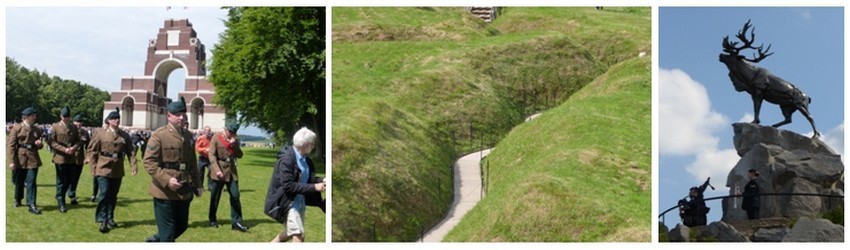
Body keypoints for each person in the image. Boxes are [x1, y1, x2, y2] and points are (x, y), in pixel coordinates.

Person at [144, 97, 202, 242]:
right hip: (164, 191)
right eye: (178, 115)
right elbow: (149, 162)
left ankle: (156, 241)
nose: (181, 118)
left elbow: (192, 163)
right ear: (169, 116)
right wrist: (167, 180)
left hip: (183, 188)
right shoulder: (159, 135)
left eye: (183, 114)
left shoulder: (188, 136)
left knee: (182, 226)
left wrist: (198, 184)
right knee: (168, 233)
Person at [265, 127, 326, 243]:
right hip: (288, 203)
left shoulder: (306, 160)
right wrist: (315, 187)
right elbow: (288, 185)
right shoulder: (287, 160)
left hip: (300, 202)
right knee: (298, 235)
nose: (313, 146)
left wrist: (322, 180)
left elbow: (309, 179)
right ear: (305, 144)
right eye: (312, 143)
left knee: (292, 232)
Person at [87, 107, 138, 233]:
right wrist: (92, 167)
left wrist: (134, 166)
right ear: (109, 121)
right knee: (104, 193)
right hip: (103, 166)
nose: (117, 120)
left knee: (113, 195)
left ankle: (110, 217)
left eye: (118, 118)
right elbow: (92, 150)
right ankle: (102, 220)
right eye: (114, 119)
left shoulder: (124, 135)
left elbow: (131, 151)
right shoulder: (100, 133)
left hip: (117, 168)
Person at [208, 119, 248, 231]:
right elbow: (211, 155)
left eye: (234, 132)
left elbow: (240, 155)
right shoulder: (216, 137)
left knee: (235, 196)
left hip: (231, 172)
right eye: (231, 132)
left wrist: (234, 146)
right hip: (219, 171)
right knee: (215, 197)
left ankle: (237, 222)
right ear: (226, 130)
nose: (233, 134)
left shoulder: (235, 140)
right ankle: (212, 219)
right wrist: (216, 170)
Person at [7, 107, 45, 214]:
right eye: (32, 116)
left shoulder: (37, 129)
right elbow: (11, 145)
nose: (34, 117)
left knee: (32, 181)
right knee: (19, 181)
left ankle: (31, 204)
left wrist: (39, 144)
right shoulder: (17, 128)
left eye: (35, 115)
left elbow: (40, 144)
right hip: (20, 157)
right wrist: (11, 161)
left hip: (32, 157)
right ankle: (18, 199)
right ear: (26, 117)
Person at [48, 106, 81, 213]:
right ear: (61, 116)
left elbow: (79, 141)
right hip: (60, 157)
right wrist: (64, 149)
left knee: (71, 179)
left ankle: (59, 195)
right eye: (64, 116)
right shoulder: (55, 127)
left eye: (68, 116)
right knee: (62, 180)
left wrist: (73, 148)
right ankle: (61, 202)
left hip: (71, 157)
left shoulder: (73, 127)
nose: (66, 118)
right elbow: (51, 142)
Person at [71, 114, 90, 206]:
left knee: (76, 177)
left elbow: (88, 146)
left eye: (80, 122)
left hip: (80, 158)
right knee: (68, 177)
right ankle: (68, 192)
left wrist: (87, 157)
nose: (78, 124)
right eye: (76, 122)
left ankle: (72, 193)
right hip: (69, 157)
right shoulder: (69, 130)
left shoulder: (85, 132)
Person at [89, 118, 108, 202]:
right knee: (96, 178)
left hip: (107, 160)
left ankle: (104, 195)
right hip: (98, 158)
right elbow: (91, 146)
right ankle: (94, 194)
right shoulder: (98, 132)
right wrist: (89, 157)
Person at [195, 126, 213, 190]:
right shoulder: (201, 138)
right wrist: (205, 149)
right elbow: (197, 148)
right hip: (202, 158)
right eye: (208, 131)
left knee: (211, 171)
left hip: (209, 158)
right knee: (200, 173)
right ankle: (200, 186)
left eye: (210, 131)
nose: (209, 132)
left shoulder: (211, 139)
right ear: (204, 131)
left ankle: (210, 186)